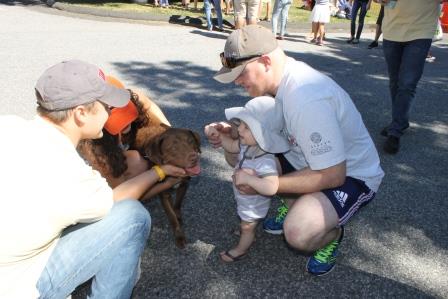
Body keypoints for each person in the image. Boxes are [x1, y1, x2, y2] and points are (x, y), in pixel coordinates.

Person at [207, 25, 384, 276]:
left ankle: (332, 235)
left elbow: (334, 175)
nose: (236, 81)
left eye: (241, 73)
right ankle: (293, 202)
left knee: (298, 232)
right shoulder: (278, 82)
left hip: (351, 175)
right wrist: (233, 132)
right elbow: (269, 126)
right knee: (240, 154)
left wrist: (267, 184)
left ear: (265, 61)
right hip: (305, 158)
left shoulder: (305, 98)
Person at [0, 60, 186, 298]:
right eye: (107, 105)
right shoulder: (73, 173)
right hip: (16, 284)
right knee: (133, 216)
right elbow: (117, 200)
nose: (110, 112)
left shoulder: (8, 124)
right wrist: (161, 172)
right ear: (80, 113)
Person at [206, 96, 289, 263]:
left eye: (246, 128)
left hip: (254, 204)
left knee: (247, 225)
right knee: (245, 221)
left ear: (263, 135)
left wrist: (249, 180)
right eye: (241, 125)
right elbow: (230, 145)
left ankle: (241, 249)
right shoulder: (246, 145)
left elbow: (271, 187)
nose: (240, 130)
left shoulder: (266, 161)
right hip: (244, 199)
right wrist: (217, 134)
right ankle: (248, 232)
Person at [377, 0, 443, 154]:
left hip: (421, 30)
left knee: (407, 83)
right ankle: (399, 121)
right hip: (392, 29)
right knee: (395, 82)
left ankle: (395, 131)